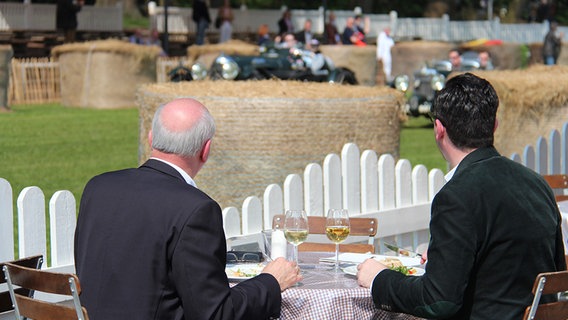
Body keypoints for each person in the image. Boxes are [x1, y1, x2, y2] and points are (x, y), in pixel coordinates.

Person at [356, 73, 566, 320]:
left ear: (439, 129)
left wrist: (378, 279)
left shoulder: (456, 196)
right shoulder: (537, 184)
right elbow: (552, 271)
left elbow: (438, 301)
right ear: (494, 125)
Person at [74, 98, 302, 319]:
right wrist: (271, 281)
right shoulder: (196, 209)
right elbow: (216, 313)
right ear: (206, 150)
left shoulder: (98, 187)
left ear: (151, 139)